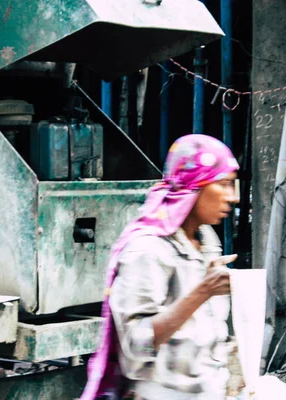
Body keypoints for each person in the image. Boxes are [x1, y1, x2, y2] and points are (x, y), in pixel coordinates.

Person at [81, 134, 240, 400]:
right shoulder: (148, 249)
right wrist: (201, 293)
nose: (232, 197)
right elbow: (134, 345)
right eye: (223, 184)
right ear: (194, 185)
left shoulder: (206, 240)